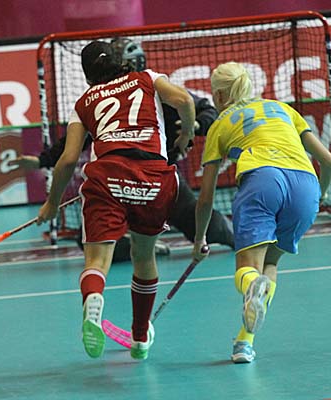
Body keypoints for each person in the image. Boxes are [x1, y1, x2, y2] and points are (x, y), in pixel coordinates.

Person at [37, 40, 196, 361]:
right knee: (144, 256)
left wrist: (52, 203)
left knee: (96, 261)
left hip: (107, 176)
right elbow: (184, 100)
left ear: (87, 74)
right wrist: (186, 134)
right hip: (154, 177)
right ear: (119, 61)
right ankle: (140, 336)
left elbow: (68, 160)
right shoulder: (147, 78)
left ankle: (94, 299)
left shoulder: (84, 102)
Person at [17, 37, 234, 260]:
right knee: (89, 237)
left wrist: (194, 126)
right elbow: (73, 144)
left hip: (152, 174)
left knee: (199, 221)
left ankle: (238, 237)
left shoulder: (152, 88)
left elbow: (204, 109)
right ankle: (143, 248)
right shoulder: (133, 88)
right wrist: (42, 160)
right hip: (141, 179)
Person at [192, 62, 331, 363]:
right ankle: (244, 343)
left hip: (263, 181)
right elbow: (329, 161)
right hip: (306, 186)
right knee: (270, 264)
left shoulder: (219, 124)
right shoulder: (282, 108)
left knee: (247, 272)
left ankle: (250, 285)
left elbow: (205, 198)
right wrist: (317, 197)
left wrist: (199, 238)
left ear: (219, 95)